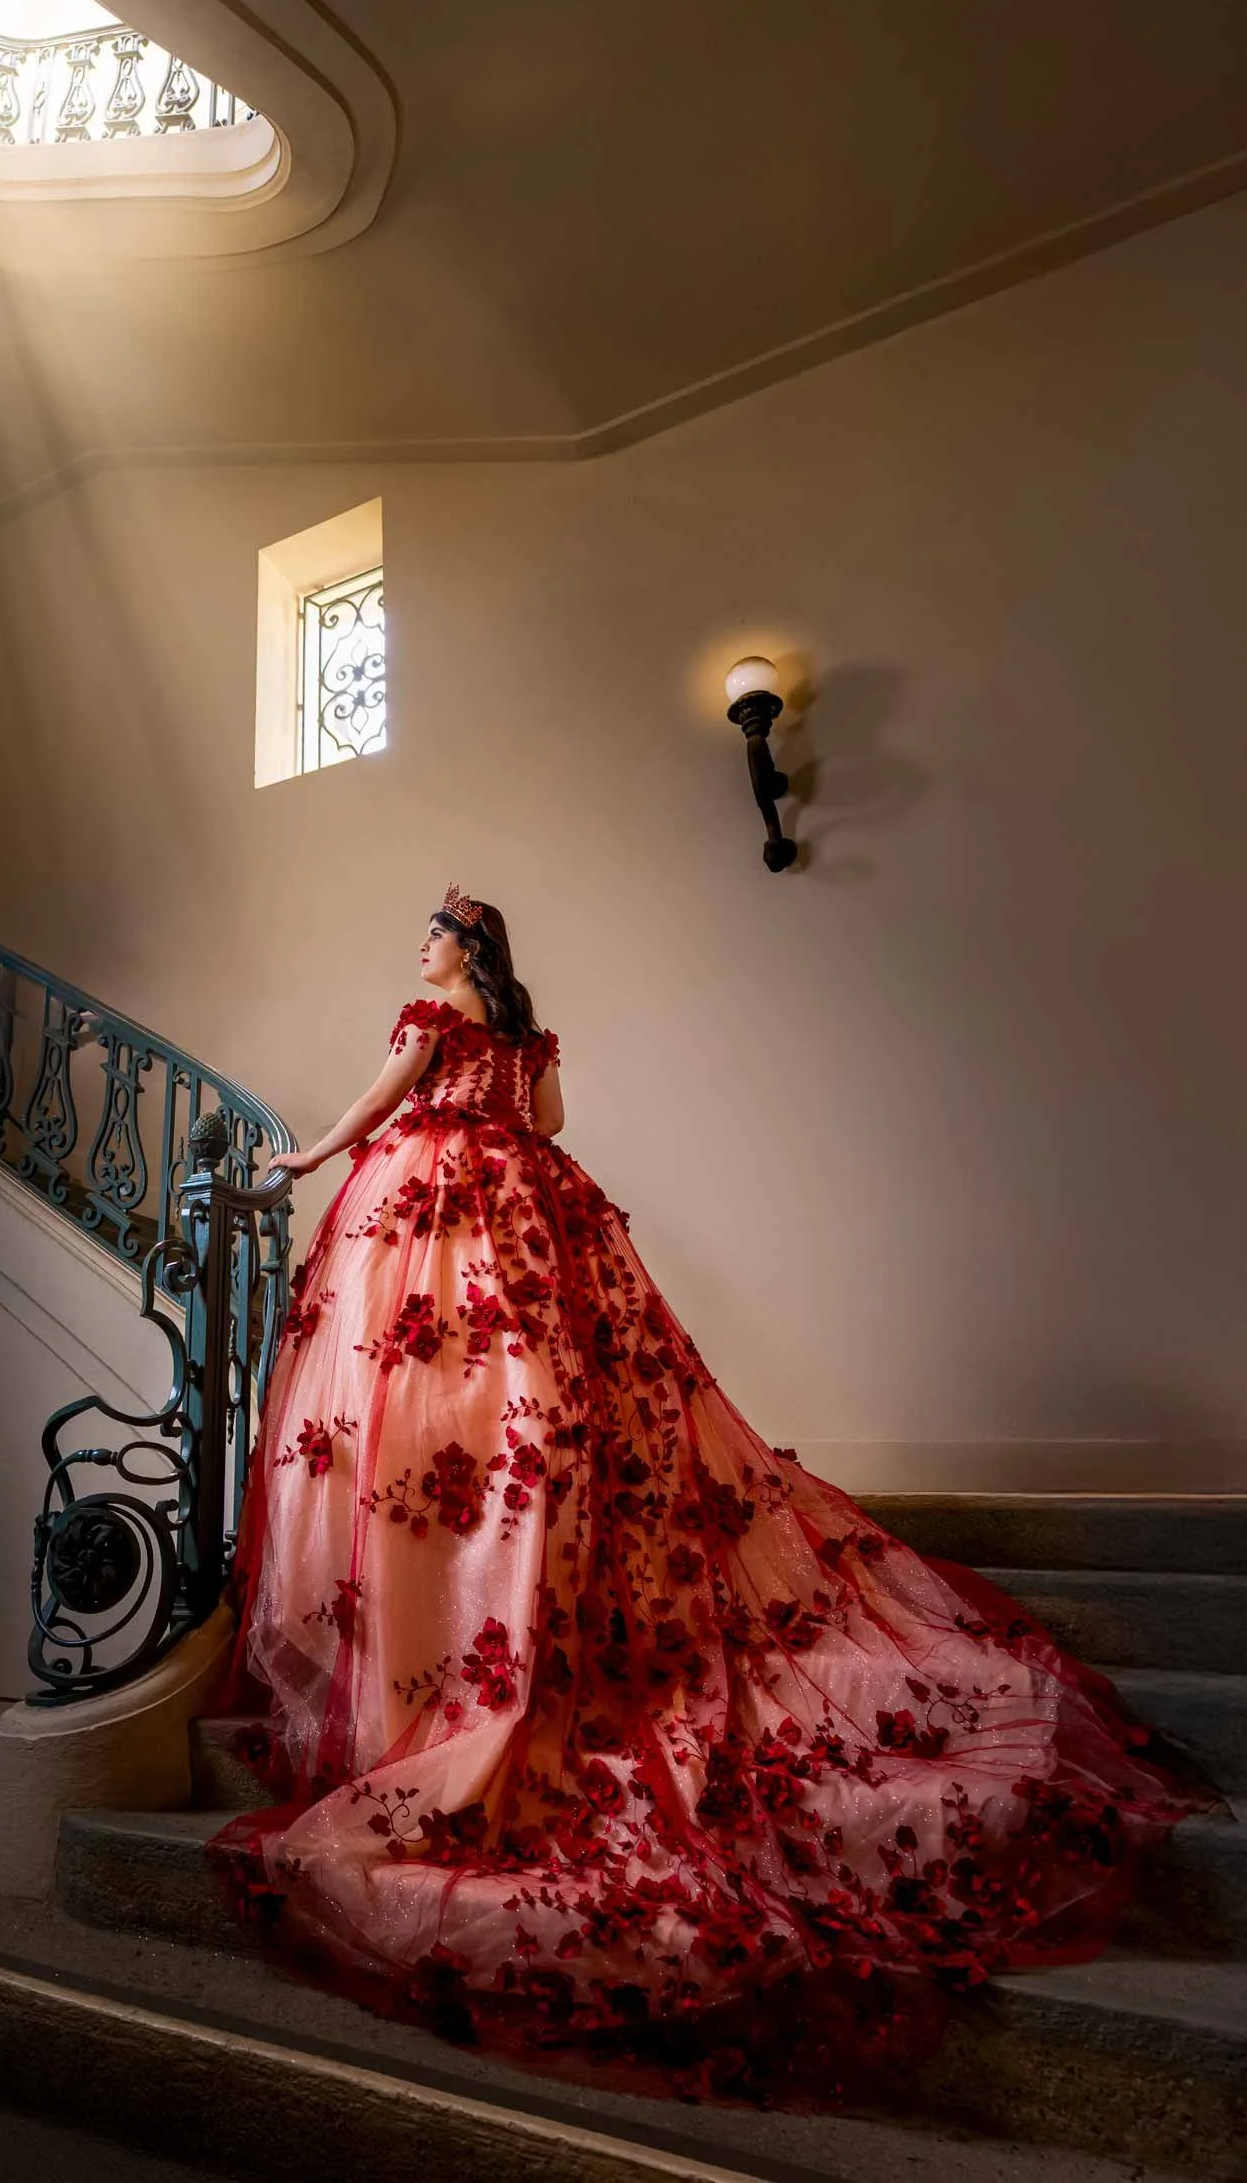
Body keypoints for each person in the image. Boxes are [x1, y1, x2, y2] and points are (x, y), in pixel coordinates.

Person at [208, 887, 1220, 2093]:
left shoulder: (430, 1008)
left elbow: (383, 1097)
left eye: (434, 932)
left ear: (462, 950)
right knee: (533, 1394)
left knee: (420, 1394)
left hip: (435, 1194)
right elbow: (551, 1123)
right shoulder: (529, 1036)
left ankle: (458, 1615)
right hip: (533, 1207)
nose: (420, 947)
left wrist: (315, 1155)